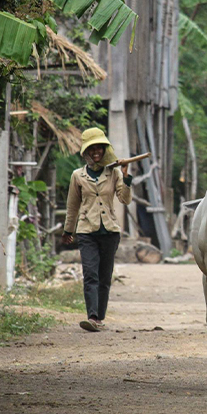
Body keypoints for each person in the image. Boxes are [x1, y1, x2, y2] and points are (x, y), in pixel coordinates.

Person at [62, 128, 132, 332]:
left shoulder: (114, 173)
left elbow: (125, 199)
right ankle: (92, 316)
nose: (96, 153)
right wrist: (68, 230)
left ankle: (99, 317)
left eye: (99, 148)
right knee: (90, 274)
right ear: (86, 152)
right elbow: (72, 205)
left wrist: (126, 177)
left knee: (104, 276)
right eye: (91, 149)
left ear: (104, 150)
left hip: (110, 232)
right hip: (86, 231)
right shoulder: (78, 176)